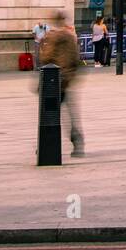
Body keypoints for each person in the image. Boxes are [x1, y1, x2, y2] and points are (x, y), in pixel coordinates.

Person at [39, 11, 84, 157]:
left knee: (50, 113)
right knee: (70, 113)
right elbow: (76, 58)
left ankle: (45, 144)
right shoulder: (70, 37)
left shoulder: (53, 36)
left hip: (54, 80)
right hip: (68, 78)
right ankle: (77, 142)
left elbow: (46, 57)